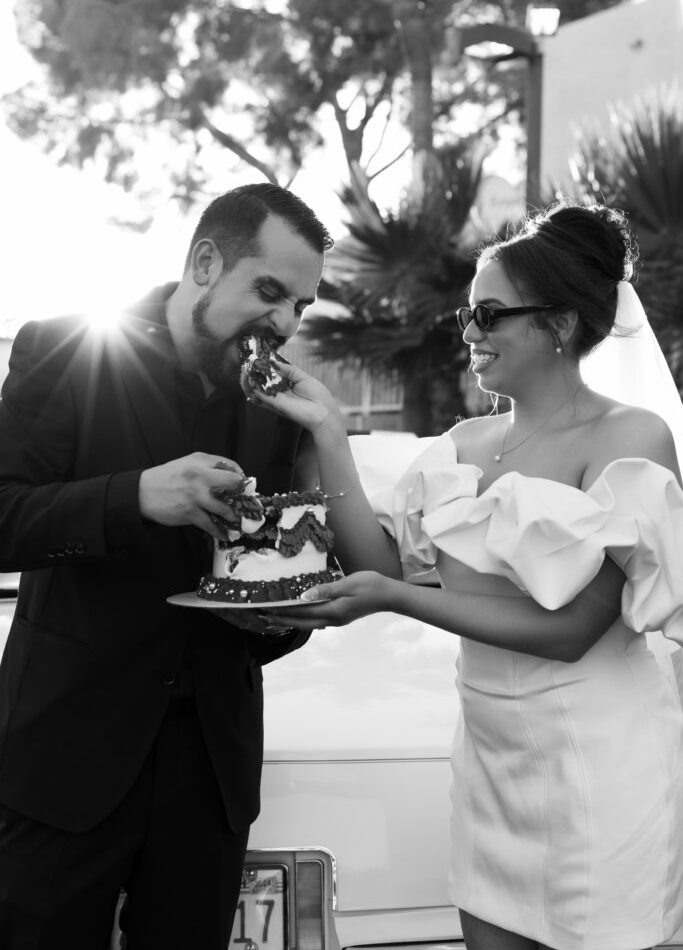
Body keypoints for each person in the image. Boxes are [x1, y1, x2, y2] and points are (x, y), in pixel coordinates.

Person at [247, 201, 683, 950]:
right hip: (486, 757)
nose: (470, 334)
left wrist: (396, 601)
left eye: (488, 314)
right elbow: (379, 565)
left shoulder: (630, 437)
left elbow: (574, 631)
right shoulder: (463, 442)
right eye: (466, 316)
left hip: (597, 766)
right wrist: (327, 431)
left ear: (560, 324)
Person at [0, 183, 333, 948]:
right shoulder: (65, 346)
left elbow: (270, 597)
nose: (283, 323)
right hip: (66, 763)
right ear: (207, 261)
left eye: (300, 307)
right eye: (271, 292)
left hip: (208, 779)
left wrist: (284, 617)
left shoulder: (277, 403)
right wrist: (133, 497)